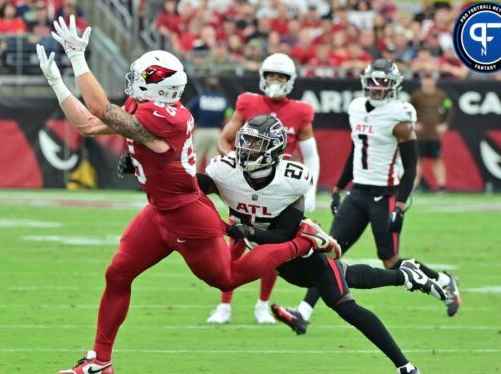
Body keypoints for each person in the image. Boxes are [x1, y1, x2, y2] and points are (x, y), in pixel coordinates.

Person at [37, 15, 338, 374]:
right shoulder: (148, 108)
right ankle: (100, 362)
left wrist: (76, 59)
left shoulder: (168, 117)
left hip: (186, 213)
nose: (134, 81)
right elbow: (88, 124)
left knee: (227, 276)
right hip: (158, 210)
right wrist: (57, 82)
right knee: (118, 273)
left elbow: (102, 110)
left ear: (158, 87)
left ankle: (302, 241)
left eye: (143, 77)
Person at [198, 115, 427, 374]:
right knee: (347, 274)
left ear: (273, 148)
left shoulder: (291, 179)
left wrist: (249, 231)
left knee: (344, 305)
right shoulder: (225, 171)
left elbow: (285, 234)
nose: (246, 149)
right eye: (245, 141)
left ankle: (405, 366)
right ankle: (405, 276)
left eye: (255, 143)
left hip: (303, 250)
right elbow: (195, 187)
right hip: (282, 264)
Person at [276, 59, 462, 335]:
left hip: (385, 195)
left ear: (394, 84)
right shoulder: (356, 109)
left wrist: (399, 204)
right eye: (372, 81)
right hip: (358, 192)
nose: (377, 87)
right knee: (326, 253)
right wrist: (339, 188)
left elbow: (411, 165)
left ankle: (444, 282)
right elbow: (355, 152)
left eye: (383, 81)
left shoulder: (399, 116)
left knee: (390, 259)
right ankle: (302, 313)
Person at [207, 53, 320, 325]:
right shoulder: (247, 102)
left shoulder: (301, 111)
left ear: (291, 81)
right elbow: (225, 140)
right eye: (271, 76)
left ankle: (262, 304)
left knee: (272, 249)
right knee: (235, 243)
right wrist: (237, 167)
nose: (275, 81)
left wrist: (310, 192)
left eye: (281, 77)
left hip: (279, 192)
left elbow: (312, 155)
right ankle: (224, 305)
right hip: (246, 186)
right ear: (262, 77)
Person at [409, 70, 452, 192]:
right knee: (417, 160)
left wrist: (444, 124)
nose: (428, 81)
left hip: (434, 135)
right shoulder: (416, 95)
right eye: (425, 78)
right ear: (421, 80)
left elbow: (449, 108)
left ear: (434, 80)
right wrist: (413, 123)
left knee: (438, 159)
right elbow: (407, 109)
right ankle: (415, 185)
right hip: (420, 135)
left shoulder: (441, 95)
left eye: (430, 78)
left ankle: (441, 185)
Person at [185, 77, 229, 172]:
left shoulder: (200, 98)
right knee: (213, 162)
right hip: (216, 132)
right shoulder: (223, 100)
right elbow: (229, 115)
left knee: (194, 160)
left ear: (206, 86)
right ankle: (210, 184)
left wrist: (193, 123)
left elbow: (187, 110)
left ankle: (192, 183)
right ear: (218, 87)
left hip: (201, 131)